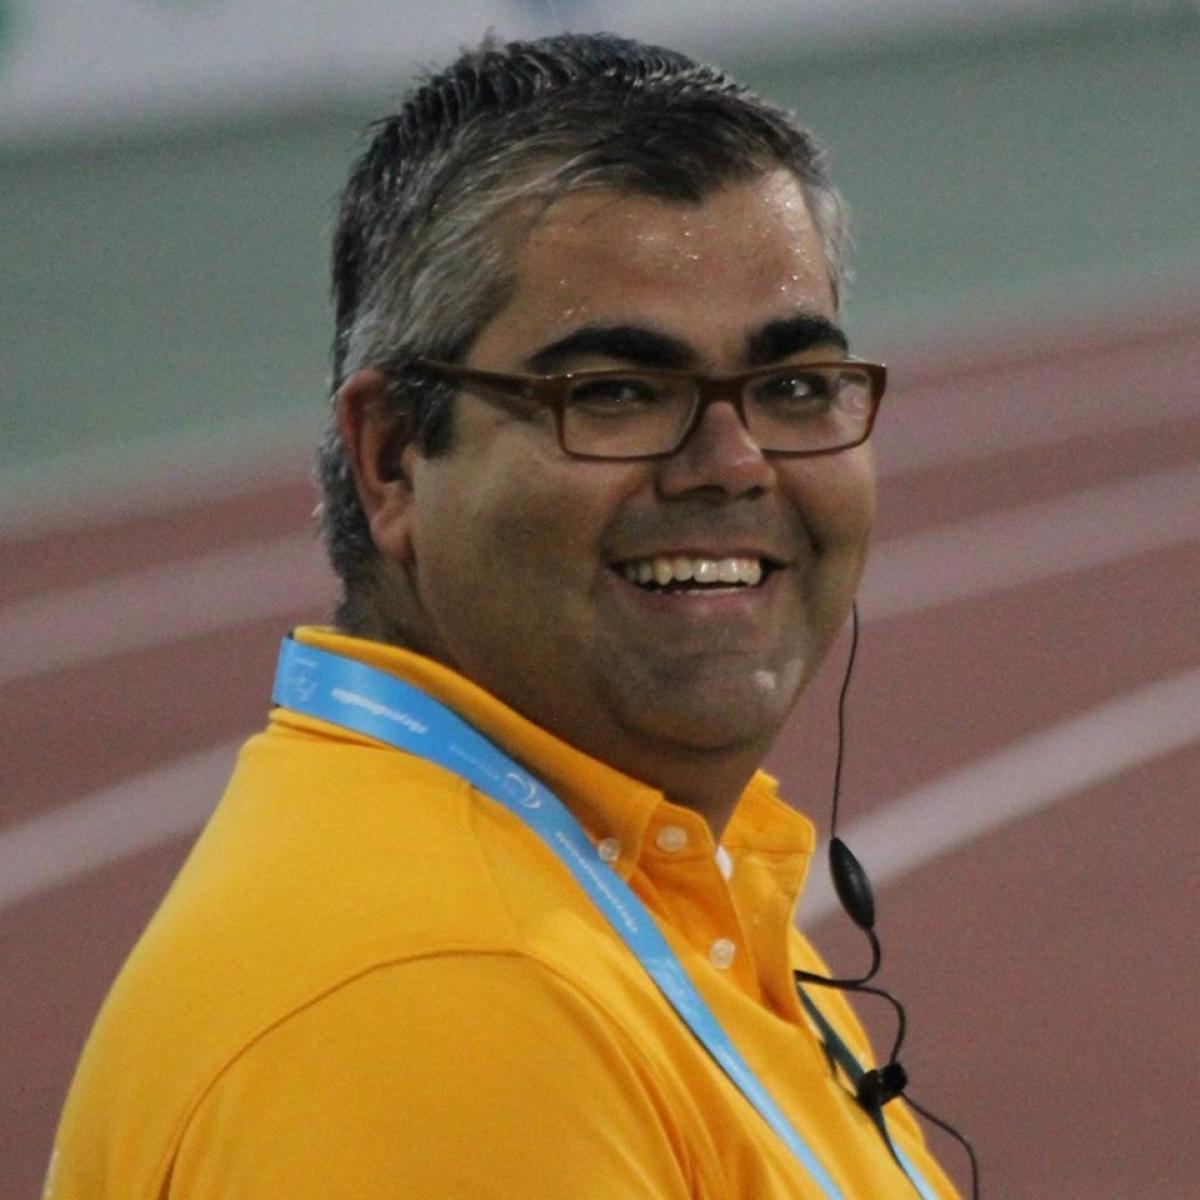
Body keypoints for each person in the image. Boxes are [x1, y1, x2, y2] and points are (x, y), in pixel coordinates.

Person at [46, 32, 961, 1200]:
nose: (732, 464)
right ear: (390, 459)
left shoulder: (620, 860)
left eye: (793, 386)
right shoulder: (443, 1003)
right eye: (616, 393)